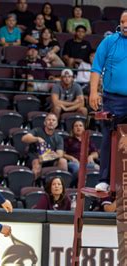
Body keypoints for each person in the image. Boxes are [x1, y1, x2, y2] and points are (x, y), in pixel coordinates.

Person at [89, 12, 127, 193]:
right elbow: (96, 67)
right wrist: (93, 92)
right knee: (108, 137)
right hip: (113, 98)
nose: (125, 25)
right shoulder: (110, 41)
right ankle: (104, 179)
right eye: (122, 22)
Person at [21, 113, 68, 181]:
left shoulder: (59, 138)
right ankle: (35, 186)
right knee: (37, 162)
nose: (51, 122)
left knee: (63, 161)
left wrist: (45, 157)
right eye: (49, 120)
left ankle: (62, 186)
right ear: (45, 123)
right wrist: (37, 139)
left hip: (50, 159)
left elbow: (59, 154)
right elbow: (24, 138)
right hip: (36, 157)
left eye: (53, 120)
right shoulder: (37, 131)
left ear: (56, 124)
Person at [64, 120, 99, 187]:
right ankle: (78, 187)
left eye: (80, 126)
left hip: (86, 163)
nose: (78, 127)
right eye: (76, 126)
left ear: (84, 129)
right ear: (73, 129)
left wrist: (91, 156)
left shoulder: (88, 140)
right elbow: (63, 154)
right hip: (73, 163)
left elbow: (96, 153)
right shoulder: (68, 140)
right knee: (78, 168)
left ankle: (94, 187)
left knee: (97, 167)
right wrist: (71, 158)